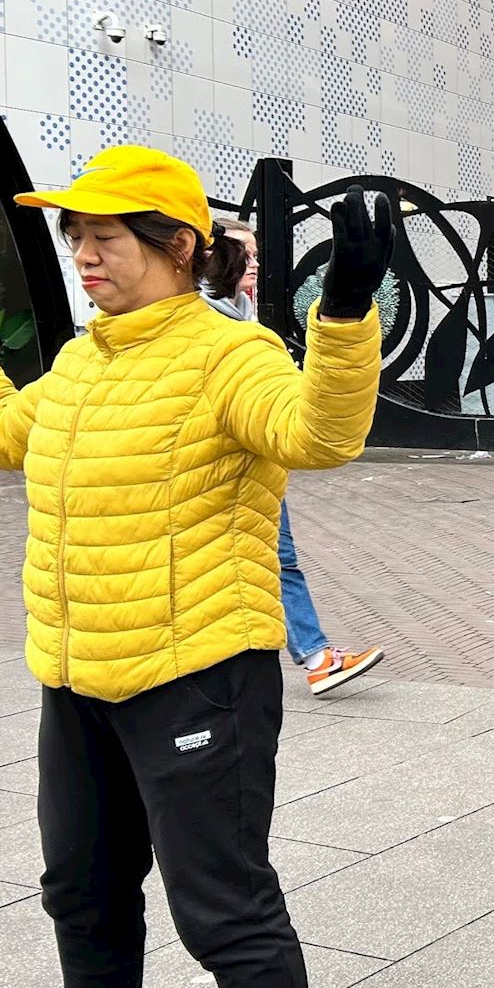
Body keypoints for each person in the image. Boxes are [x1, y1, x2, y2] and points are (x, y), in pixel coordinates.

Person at [0, 145, 393, 988]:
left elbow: (320, 435)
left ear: (179, 247)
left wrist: (344, 315)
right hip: (79, 673)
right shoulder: (82, 362)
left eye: (106, 236)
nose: (84, 255)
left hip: (199, 678)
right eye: (75, 237)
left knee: (221, 904)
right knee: (80, 885)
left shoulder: (228, 355)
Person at [202, 216, 385, 695]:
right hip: (231, 475)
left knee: (277, 560)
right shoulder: (212, 325)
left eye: (256, 254)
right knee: (276, 560)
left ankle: (315, 656)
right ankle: (316, 658)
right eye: (242, 253)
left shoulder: (241, 315)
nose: (253, 263)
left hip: (258, 465)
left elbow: (317, 432)